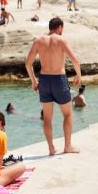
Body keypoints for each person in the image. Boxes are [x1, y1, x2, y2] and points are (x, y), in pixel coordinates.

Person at [25, 17, 82, 155]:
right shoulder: (61, 40)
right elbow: (75, 60)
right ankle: (67, 146)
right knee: (67, 114)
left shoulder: (38, 41)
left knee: (47, 118)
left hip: (44, 80)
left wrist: (34, 81)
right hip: (58, 80)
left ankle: (51, 148)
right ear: (60, 27)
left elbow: (28, 63)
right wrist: (78, 75)